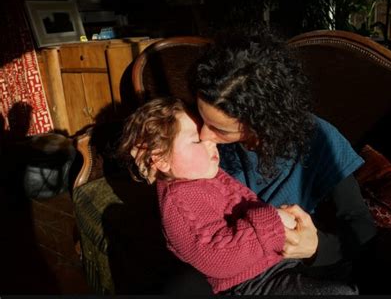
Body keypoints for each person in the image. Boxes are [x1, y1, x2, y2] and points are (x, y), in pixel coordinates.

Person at [133, 30, 377, 288]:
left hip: (292, 265)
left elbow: (361, 226)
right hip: (232, 265)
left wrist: (316, 247)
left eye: (220, 129)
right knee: (180, 285)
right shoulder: (204, 141)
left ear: (262, 124)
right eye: (202, 120)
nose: (205, 136)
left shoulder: (319, 139)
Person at [117, 97, 358, 295]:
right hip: (251, 283)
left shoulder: (204, 175)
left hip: (275, 263)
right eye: (197, 141)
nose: (211, 143)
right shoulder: (179, 202)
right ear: (160, 158)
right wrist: (273, 220)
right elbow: (217, 257)